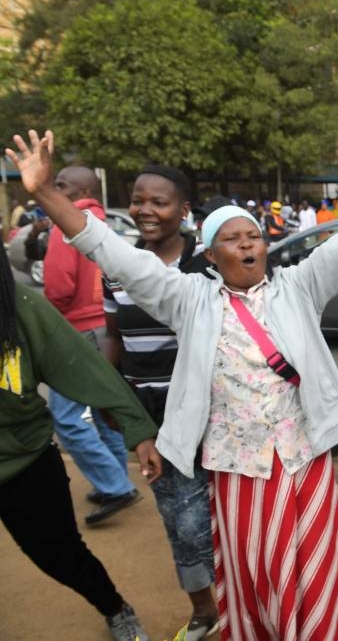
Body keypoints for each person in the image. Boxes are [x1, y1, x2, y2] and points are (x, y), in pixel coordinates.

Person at [8, 127, 338, 641]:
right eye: (231, 239)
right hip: (236, 469)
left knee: (319, 569)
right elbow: (113, 254)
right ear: (211, 256)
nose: (247, 244)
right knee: (259, 568)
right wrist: (46, 194)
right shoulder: (189, 299)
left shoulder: (300, 286)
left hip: (303, 463)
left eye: (253, 235)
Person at [0, 244, 161, 641]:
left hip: (25, 462)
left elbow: (83, 367)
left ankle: (114, 607)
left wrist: (136, 429)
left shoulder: (21, 309)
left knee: (59, 555)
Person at [102, 165, 218, 639]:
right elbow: (114, 339)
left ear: (184, 211)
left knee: (204, 519)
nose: (146, 210)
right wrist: (110, 399)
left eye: (160, 202)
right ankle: (206, 610)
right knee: (175, 516)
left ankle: (236, 603)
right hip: (149, 419)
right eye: (138, 199)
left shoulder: (208, 264)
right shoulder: (117, 266)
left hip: (212, 416)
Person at [29, 165, 141, 526]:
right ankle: (115, 478)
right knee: (101, 407)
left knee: (66, 416)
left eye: (61, 185)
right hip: (106, 326)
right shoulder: (102, 223)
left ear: (80, 190)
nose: (54, 189)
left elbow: (59, 287)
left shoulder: (68, 224)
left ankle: (115, 484)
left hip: (77, 328)